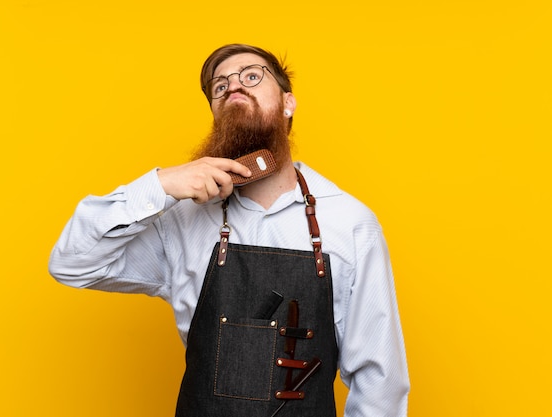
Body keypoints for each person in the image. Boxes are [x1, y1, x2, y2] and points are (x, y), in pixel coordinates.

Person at [49, 43, 409, 417]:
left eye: (251, 76)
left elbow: (380, 380)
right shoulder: (182, 220)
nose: (233, 86)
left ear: (288, 103)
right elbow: (72, 263)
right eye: (219, 87)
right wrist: (160, 184)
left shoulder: (349, 222)